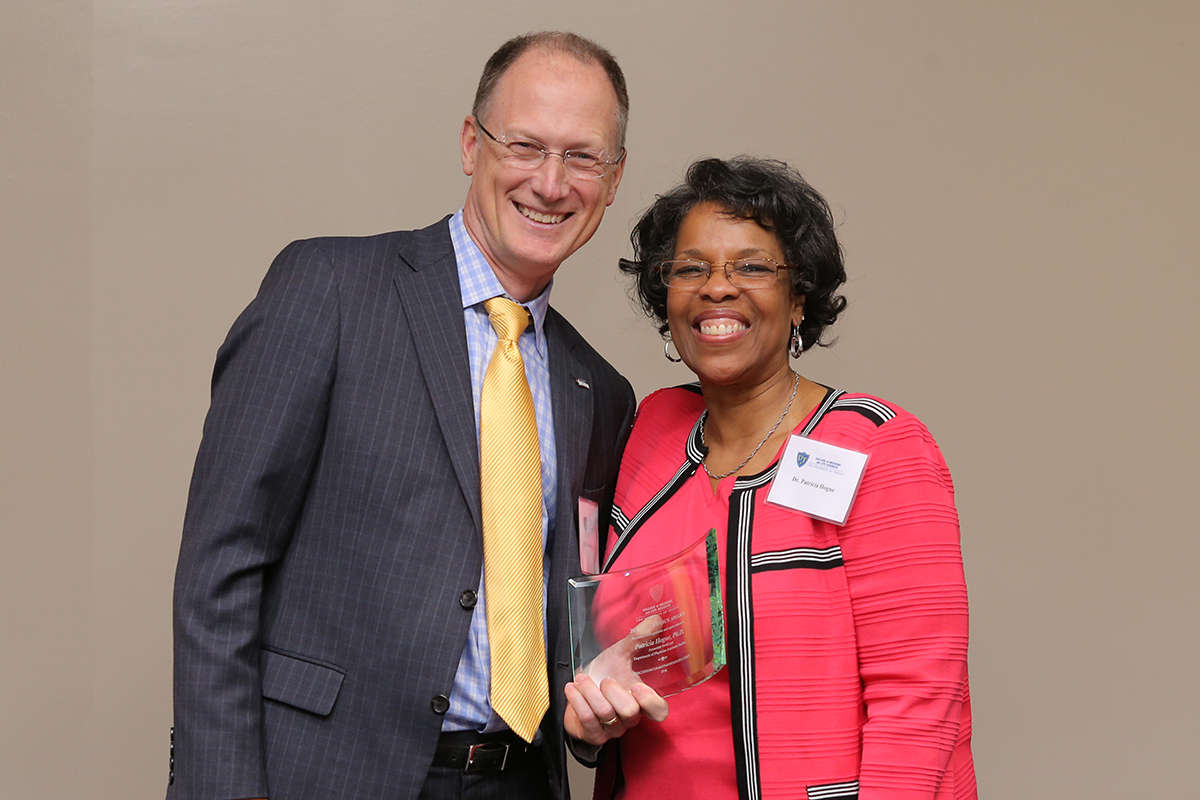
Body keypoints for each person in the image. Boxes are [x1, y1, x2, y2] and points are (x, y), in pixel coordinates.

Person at [169, 32, 636, 800]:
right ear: (469, 143)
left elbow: (571, 613)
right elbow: (219, 568)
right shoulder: (330, 289)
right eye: (524, 145)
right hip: (324, 776)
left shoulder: (600, 390)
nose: (550, 183)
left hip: (515, 782)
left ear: (613, 180)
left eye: (583, 158)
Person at [564, 157, 976, 799]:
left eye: (752, 267)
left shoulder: (875, 443)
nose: (717, 288)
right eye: (691, 268)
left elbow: (920, 701)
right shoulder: (653, 430)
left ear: (799, 299)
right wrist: (589, 723)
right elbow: (608, 643)